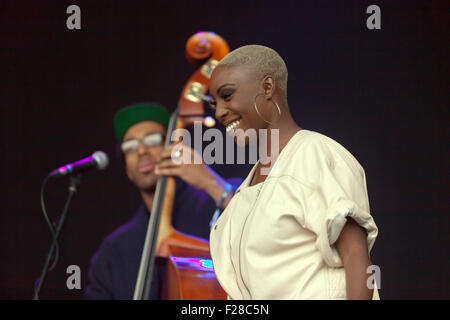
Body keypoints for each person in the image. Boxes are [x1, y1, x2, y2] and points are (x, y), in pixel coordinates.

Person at [208, 45, 379, 300]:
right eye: (215, 103)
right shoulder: (247, 189)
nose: (219, 112)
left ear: (267, 88)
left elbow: (356, 255)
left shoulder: (314, 154)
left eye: (227, 95)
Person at [84, 102, 242, 299]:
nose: (141, 151)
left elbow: (265, 230)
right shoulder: (114, 251)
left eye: (151, 140)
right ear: (125, 165)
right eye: (130, 147)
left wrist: (211, 182)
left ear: (173, 147)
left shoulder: (224, 195)